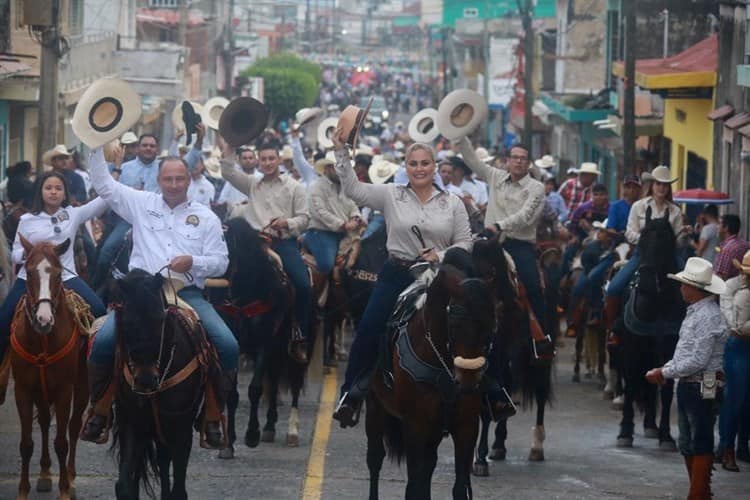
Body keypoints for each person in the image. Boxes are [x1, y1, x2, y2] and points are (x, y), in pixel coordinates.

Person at [82, 146, 237, 449]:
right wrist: (95, 144)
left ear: (189, 180)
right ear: (159, 179)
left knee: (228, 345)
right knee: (101, 342)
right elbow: (103, 184)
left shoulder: (205, 217)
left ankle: (213, 414)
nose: (175, 184)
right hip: (142, 295)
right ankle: (99, 409)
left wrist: (193, 261)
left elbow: (221, 262)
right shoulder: (140, 203)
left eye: (180, 178)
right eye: (169, 179)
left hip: (186, 292)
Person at [331, 130, 473, 428]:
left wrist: (441, 255)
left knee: (473, 326)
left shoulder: (453, 202)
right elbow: (354, 190)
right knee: (369, 327)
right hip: (397, 273)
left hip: (440, 277)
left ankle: (487, 395)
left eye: (425, 163)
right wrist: (341, 152)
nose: (419, 168)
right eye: (413, 163)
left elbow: (465, 242)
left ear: (435, 166)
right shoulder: (391, 194)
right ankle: (351, 395)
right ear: (405, 167)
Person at [0, 171, 108, 390]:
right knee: (3, 318)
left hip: (65, 276)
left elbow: (104, 200)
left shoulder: (72, 214)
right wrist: (32, 255)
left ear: (64, 193)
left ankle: (92, 369)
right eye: (49, 187)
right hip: (30, 278)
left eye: (58, 188)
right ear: (40, 191)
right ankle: (2, 372)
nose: (53, 192)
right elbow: (15, 253)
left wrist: (112, 170)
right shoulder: (27, 220)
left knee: (98, 309)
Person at [219, 139, 311, 364]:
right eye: (264, 159)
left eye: (272, 159)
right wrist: (230, 148)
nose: (268, 163)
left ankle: (299, 335)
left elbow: (305, 218)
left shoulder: (295, 186)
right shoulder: (252, 183)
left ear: (279, 160)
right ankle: (226, 333)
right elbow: (228, 172)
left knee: (303, 284)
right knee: (222, 277)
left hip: (282, 244)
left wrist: (287, 223)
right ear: (258, 161)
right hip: (254, 245)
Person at [646, 257, 727, 500]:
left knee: (698, 436)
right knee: (689, 438)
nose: (680, 288)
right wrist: (667, 368)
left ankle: (698, 493)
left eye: (683, 284)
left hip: (702, 380)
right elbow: (686, 353)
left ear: (694, 288)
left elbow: (697, 360)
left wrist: (664, 372)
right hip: (698, 380)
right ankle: (700, 490)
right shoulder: (699, 313)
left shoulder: (707, 316)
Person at [92, 128, 204, 289]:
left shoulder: (164, 167)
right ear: (138, 148)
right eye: (145, 145)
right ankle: (96, 293)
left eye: (152, 146)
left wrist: (199, 141)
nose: (148, 148)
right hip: (126, 220)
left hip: (157, 221)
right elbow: (104, 185)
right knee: (106, 253)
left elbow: (189, 161)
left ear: (157, 149)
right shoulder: (125, 167)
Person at [455, 138, 546, 328]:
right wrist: (460, 135)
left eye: (523, 158)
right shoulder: (494, 175)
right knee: (462, 280)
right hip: (490, 244)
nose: (518, 161)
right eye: (515, 157)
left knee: (532, 287)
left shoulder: (536, 188)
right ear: (507, 161)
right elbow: (472, 160)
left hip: (519, 245)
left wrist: (499, 225)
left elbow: (525, 216)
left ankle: (542, 338)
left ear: (529, 163)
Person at [603, 166, 683, 329]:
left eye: (665, 185)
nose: (662, 188)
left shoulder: (675, 211)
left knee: (690, 288)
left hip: (668, 256)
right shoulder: (638, 206)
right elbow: (629, 232)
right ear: (652, 185)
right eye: (658, 184)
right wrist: (649, 241)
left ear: (669, 188)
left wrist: (669, 241)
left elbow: (679, 240)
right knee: (614, 287)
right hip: (642, 254)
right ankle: (613, 329)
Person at [717, 250, 750, 471]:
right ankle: (727, 446)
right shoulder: (731, 286)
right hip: (738, 346)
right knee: (734, 398)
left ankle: (742, 444)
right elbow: (734, 324)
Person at [304, 157, 364, 276]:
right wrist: (343, 225)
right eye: (339, 168)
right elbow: (320, 212)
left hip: (343, 233)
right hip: (321, 232)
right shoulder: (316, 187)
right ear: (328, 168)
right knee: (327, 265)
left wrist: (356, 218)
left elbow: (353, 205)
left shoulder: (344, 187)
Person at [714, 214, 750, 281]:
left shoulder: (727, 249)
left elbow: (721, 276)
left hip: (728, 288)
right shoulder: (745, 244)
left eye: (719, 224)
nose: (717, 227)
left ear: (726, 228)